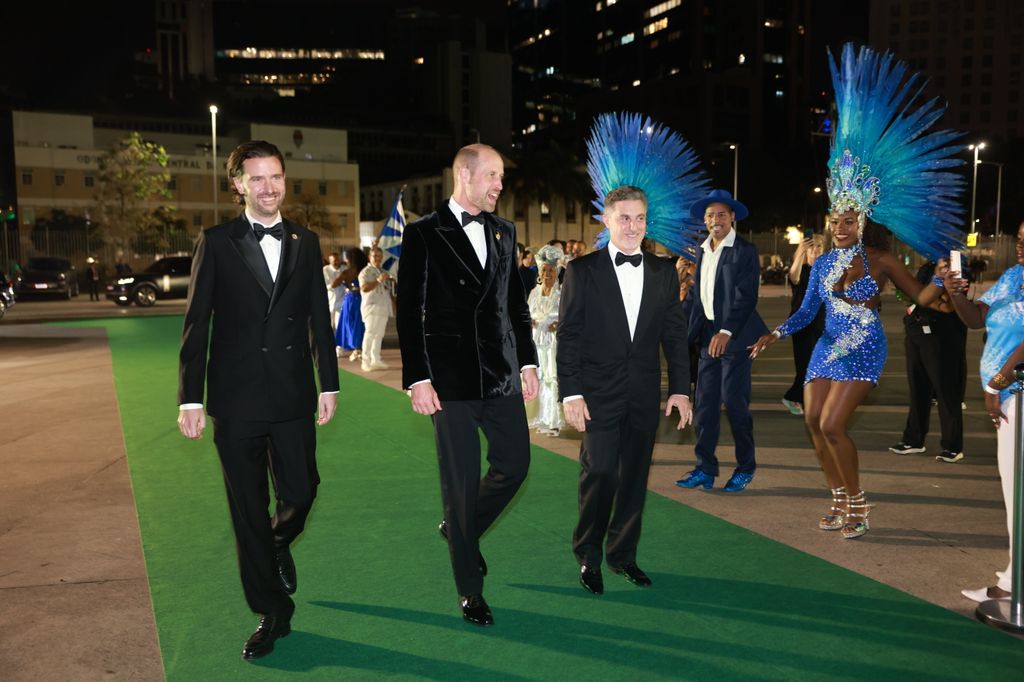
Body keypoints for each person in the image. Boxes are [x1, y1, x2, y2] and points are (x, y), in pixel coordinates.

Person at [748, 44, 964, 540]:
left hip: (865, 349)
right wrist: (773, 335)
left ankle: (860, 505)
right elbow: (806, 312)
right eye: (834, 219)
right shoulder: (822, 261)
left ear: (861, 220)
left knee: (832, 426)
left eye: (848, 220)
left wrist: (941, 282)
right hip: (826, 349)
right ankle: (839, 502)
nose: (840, 226)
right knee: (812, 425)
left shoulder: (882, 260)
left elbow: (921, 299)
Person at [177, 140, 338, 660]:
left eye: (276, 177)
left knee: (303, 490)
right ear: (238, 185)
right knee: (247, 509)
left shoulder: (305, 241)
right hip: (236, 396)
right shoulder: (217, 241)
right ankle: (272, 611)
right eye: (258, 179)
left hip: (292, 393)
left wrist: (328, 382)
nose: (269, 188)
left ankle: (277, 542)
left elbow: (318, 315)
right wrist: (190, 399)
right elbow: (196, 322)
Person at [396, 143, 538, 627]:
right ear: (465, 174)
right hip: (448, 381)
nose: (500, 184)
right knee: (458, 485)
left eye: (501, 176)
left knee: (515, 465)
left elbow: (515, 305)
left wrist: (529, 363)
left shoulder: (505, 231)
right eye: (493, 175)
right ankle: (469, 589)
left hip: (500, 374)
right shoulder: (423, 233)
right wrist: (417, 376)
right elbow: (408, 312)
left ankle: (461, 531)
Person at [558, 185, 692, 595]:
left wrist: (681, 389)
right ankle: (588, 555)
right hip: (596, 394)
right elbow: (569, 337)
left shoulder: (664, 272)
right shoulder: (582, 271)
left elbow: (674, 335)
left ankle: (623, 555)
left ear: (646, 222)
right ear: (607, 220)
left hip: (642, 392)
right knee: (598, 472)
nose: (632, 226)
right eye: (624, 218)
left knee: (634, 476)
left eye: (639, 218)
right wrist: (571, 393)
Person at [676, 189, 768, 493]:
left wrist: (726, 332)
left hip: (736, 337)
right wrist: (678, 328)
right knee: (704, 407)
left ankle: (746, 467)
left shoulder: (744, 250)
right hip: (707, 338)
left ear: (732, 218)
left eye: (722, 215)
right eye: (711, 215)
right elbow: (697, 296)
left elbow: (745, 297)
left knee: (735, 404)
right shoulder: (703, 250)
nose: (716, 220)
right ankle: (705, 467)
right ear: (704, 220)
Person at [950, 221, 1024, 603]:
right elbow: (977, 319)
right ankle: (1014, 580)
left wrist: (998, 381)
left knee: (1019, 495)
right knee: (1016, 495)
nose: (1023, 246)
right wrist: (955, 294)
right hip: (1008, 396)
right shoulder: (1014, 276)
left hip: (1017, 394)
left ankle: (1014, 586)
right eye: (1021, 239)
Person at [889, 260, 967, 463]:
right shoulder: (926, 266)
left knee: (946, 392)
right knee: (918, 390)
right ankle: (914, 440)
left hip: (940, 335)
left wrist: (922, 299)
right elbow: (913, 294)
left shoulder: (955, 265)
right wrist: (915, 298)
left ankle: (952, 446)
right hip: (916, 331)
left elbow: (949, 305)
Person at [781, 235, 826, 415]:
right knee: (805, 365)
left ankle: (800, 398)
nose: (815, 253)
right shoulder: (803, 270)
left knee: (818, 365)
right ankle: (798, 398)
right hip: (802, 326)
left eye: (818, 249)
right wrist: (799, 252)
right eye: (811, 250)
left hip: (822, 324)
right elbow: (793, 275)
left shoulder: (825, 271)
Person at [528, 244, 565, 436]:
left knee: (551, 377)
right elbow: (527, 313)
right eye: (544, 270)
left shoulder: (562, 293)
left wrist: (558, 324)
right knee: (538, 377)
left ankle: (553, 420)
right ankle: (540, 417)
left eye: (551, 270)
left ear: (557, 272)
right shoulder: (534, 292)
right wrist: (532, 321)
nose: (547, 273)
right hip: (536, 340)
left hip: (553, 342)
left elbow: (569, 317)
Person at [358, 245, 394, 371]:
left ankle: (376, 359)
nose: (377, 258)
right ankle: (365, 361)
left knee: (379, 335)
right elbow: (364, 288)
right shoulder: (366, 272)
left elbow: (387, 290)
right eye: (374, 256)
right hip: (371, 307)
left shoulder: (382, 271)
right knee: (370, 334)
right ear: (370, 257)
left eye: (379, 256)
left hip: (383, 307)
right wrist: (378, 280)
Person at [332, 247, 367, 362]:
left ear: (350, 259)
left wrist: (345, 284)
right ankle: (360, 348)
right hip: (362, 298)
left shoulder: (346, 272)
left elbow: (333, 284)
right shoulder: (363, 269)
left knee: (350, 324)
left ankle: (356, 349)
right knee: (360, 324)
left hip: (351, 300)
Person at [323, 252, 341, 331]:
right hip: (330, 301)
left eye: (337, 260)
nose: (336, 262)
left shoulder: (344, 269)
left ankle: (337, 343)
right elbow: (326, 285)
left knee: (339, 325)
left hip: (341, 301)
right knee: (329, 326)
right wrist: (334, 284)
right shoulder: (326, 269)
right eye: (334, 260)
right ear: (330, 261)